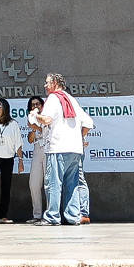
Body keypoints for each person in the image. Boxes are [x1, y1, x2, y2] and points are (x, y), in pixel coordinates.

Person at [38, 74, 92, 227]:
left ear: (55, 83)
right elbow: (88, 123)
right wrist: (77, 136)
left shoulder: (53, 98)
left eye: (47, 82)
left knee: (53, 183)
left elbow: (47, 119)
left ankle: (52, 217)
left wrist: (36, 116)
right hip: (75, 149)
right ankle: (73, 216)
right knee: (72, 183)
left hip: (58, 147)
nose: (45, 85)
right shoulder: (71, 99)